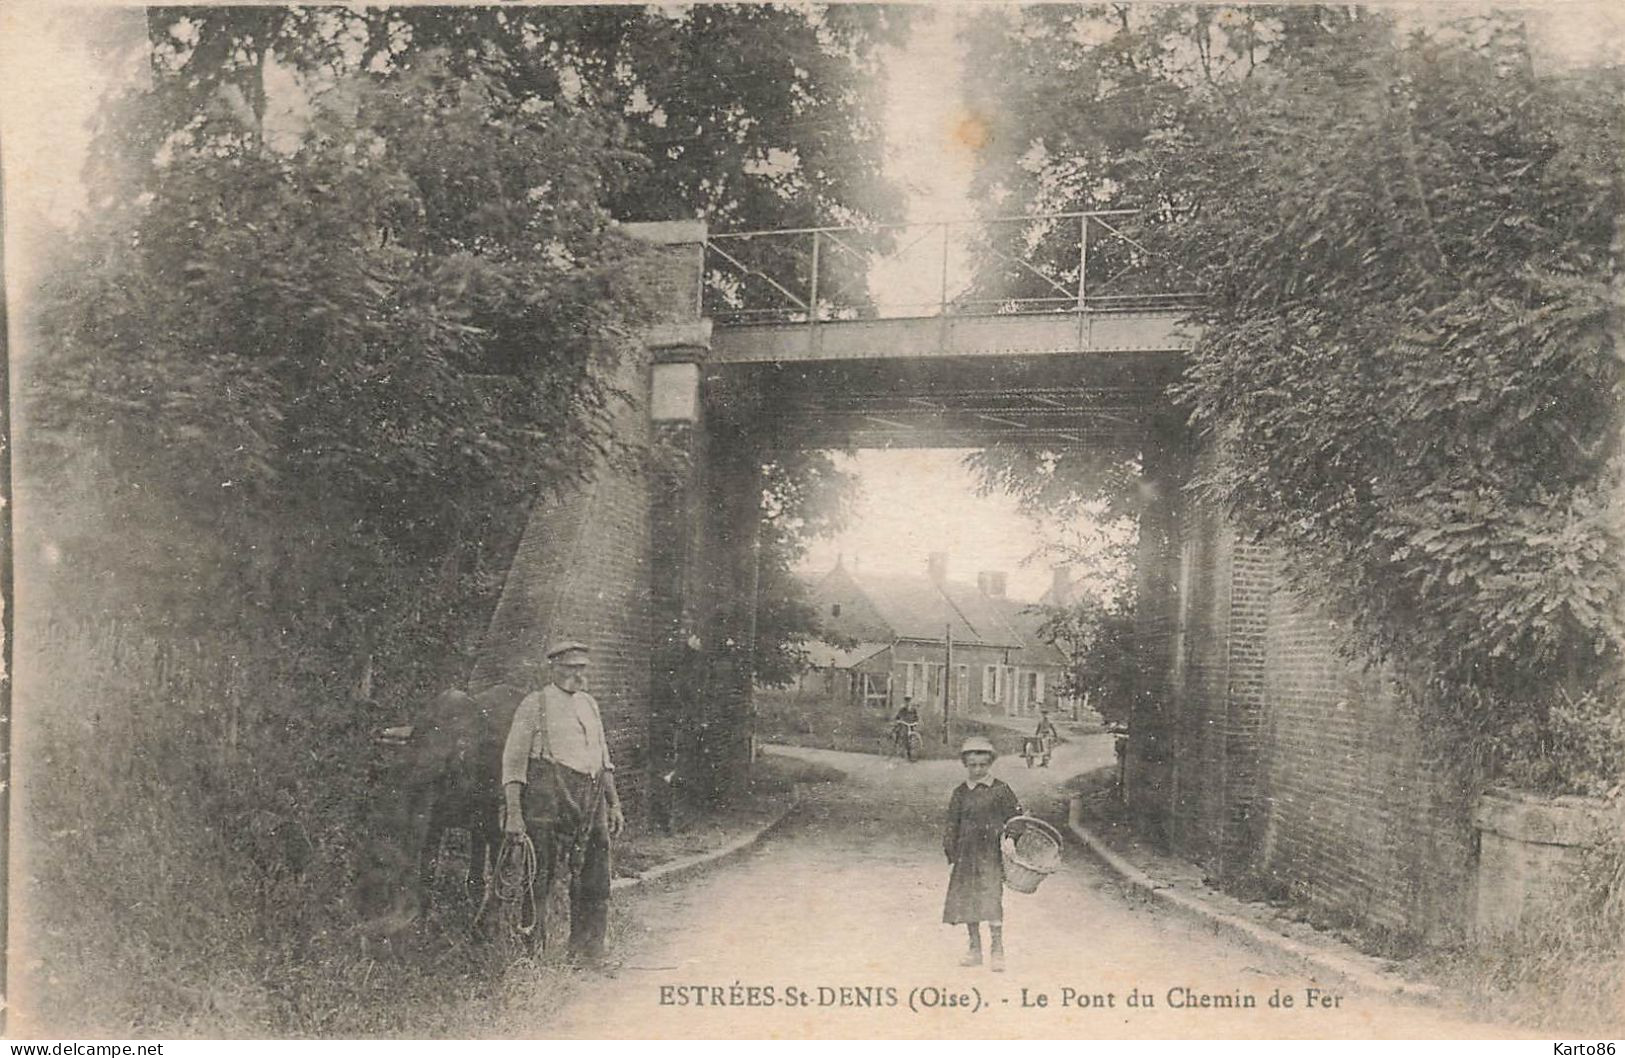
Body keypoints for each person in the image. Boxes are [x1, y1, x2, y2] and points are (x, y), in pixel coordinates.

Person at [501, 639, 626, 963]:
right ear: (553, 667)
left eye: (581, 668)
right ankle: (533, 955)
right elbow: (513, 763)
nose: (577, 675)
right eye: (570, 668)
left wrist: (614, 803)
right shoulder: (535, 704)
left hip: (591, 794)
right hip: (548, 795)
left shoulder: (589, 704)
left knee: (596, 874)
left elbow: (604, 759)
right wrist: (514, 813)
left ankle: (588, 952)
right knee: (539, 873)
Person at [942, 735, 1022, 972]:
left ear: (990, 764)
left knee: (991, 898)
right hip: (966, 854)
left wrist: (1010, 838)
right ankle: (974, 949)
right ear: (966, 765)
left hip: (990, 854)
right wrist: (951, 851)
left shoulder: (1001, 790)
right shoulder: (960, 793)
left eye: (982, 765)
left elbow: (1017, 819)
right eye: (972, 765)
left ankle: (997, 950)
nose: (978, 770)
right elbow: (951, 824)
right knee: (968, 899)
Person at [892, 696, 922, 760]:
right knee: (903, 734)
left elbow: (916, 717)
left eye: (909, 702)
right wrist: (898, 720)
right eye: (906, 702)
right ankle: (898, 746)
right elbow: (898, 716)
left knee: (912, 738)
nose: (908, 703)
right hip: (904, 724)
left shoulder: (913, 710)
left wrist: (916, 721)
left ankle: (912, 753)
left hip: (911, 724)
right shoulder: (903, 709)